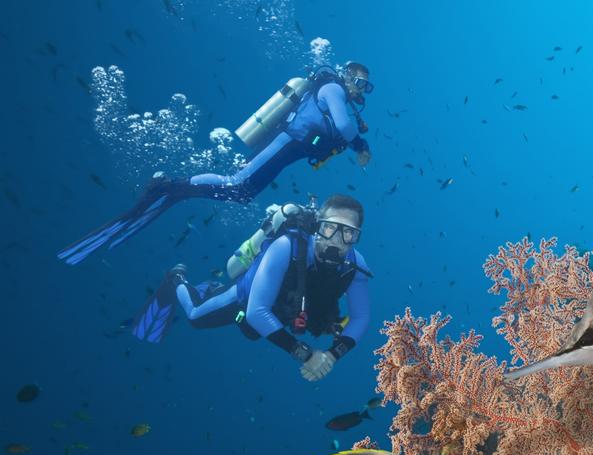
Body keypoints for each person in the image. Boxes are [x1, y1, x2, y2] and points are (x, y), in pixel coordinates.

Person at [57, 63, 374, 265]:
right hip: (285, 143)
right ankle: (170, 186)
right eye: (360, 82)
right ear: (347, 75)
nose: (361, 90)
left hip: (290, 149)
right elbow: (344, 129)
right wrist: (357, 140)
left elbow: (341, 132)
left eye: (365, 87)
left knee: (242, 193)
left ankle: (179, 189)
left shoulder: (338, 97)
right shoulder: (332, 88)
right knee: (237, 183)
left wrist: (356, 142)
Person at [132, 195, 371, 383]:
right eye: (330, 228)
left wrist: (331, 356)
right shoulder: (286, 246)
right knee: (196, 316)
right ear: (318, 226)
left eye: (348, 233)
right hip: (249, 298)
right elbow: (257, 311)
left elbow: (361, 317)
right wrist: (307, 356)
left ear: (357, 237)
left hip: (282, 310)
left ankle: (211, 288)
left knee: (254, 333)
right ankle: (177, 279)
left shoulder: (356, 264)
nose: (337, 240)